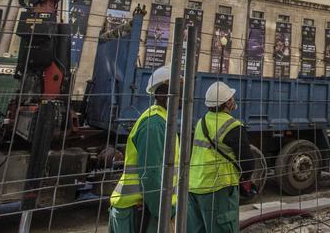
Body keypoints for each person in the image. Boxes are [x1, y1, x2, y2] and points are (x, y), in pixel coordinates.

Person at [109, 67, 179, 233]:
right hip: (138, 212)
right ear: (162, 94)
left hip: (142, 208)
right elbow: (151, 175)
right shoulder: (154, 124)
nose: (183, 96)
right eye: (179, 90)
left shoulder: (161, 120)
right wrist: (166, 213)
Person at [188, 82, 257, 233]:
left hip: (194, 185)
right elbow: (247, 163)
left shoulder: (202, 122)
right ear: (228, 103)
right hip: (218, 187)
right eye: (232, 98)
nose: (234, 100)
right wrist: (244, 180)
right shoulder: (233, 126)